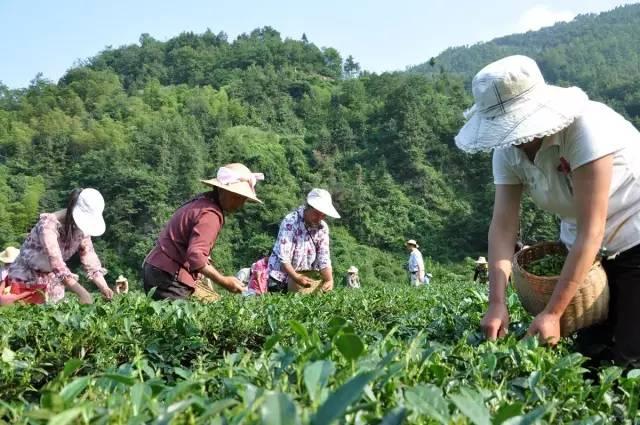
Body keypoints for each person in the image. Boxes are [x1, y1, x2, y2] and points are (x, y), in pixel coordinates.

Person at [455, 55, 640, 366]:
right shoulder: (507, 152)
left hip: (633, 231)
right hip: (584, 252)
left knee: (630, 362)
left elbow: (592, 229)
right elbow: (502, 227)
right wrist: (497, 303)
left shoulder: (585, 129)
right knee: (590, 361)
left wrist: (552, 313)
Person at [143, 163, 262, 300]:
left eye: (243, 199)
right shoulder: (210, 214)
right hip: (168, 274)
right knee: (180, 320)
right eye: (236, 197)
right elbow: (196, 255)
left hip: (156, 268)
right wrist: (224, 281)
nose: (240, 203)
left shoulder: (201, 202)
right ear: (222, 191)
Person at [5, 188, 113, 304]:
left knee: (52, 318)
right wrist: (83, 293)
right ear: (73, 209)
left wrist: (104, 287)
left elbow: (90, 260)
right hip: (25, 278)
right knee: (23, 317)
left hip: (52, 282)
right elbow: (57, 265)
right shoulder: (47, 226)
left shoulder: (80, 230)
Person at [267, 188, 340, 293]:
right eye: (316, 213)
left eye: (323, 215)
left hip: (305, 277)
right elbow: (284, 257)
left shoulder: (322, 228)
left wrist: (329, 280)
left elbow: (324, 257)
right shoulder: (291, 222)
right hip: (280, 278)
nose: (319, 218)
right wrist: (296, 277)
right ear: (308, 208)